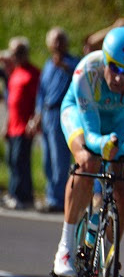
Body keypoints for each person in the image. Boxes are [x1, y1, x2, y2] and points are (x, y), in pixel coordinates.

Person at [52, 27, 124, 277]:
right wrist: (104, 146)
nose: (120, 77)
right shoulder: (86, 71)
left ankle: (108, 254)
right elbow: (91, 135)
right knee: (88, 162)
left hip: (119, 122)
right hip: (83, 117)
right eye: (114, 67)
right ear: (104, 60)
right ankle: (66, 246)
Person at [33, 27, 79, 213]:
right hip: (47, 113)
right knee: (47, 159)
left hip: (63, 112)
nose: (58, 44)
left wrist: (65, 67)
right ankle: (51, 194)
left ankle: (59, 199)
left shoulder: (72, 62)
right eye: (55, 40)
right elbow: (41, 92)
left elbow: (80, 77)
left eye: (61, 39)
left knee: (60, 158)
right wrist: (37, 115)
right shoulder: (48, 64)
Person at [4, 37, 40, 210]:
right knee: (11, 160)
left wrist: (34, 121)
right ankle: (14, 193)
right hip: (13, 125)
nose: (15, 56)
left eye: (18, 52)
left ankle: (21, 196)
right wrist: (6, 125)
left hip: (25, 126)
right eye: (13, 52)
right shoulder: (15, 73)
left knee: (20, 161)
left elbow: (38, 101)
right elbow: (12, 103)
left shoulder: (33, 73)